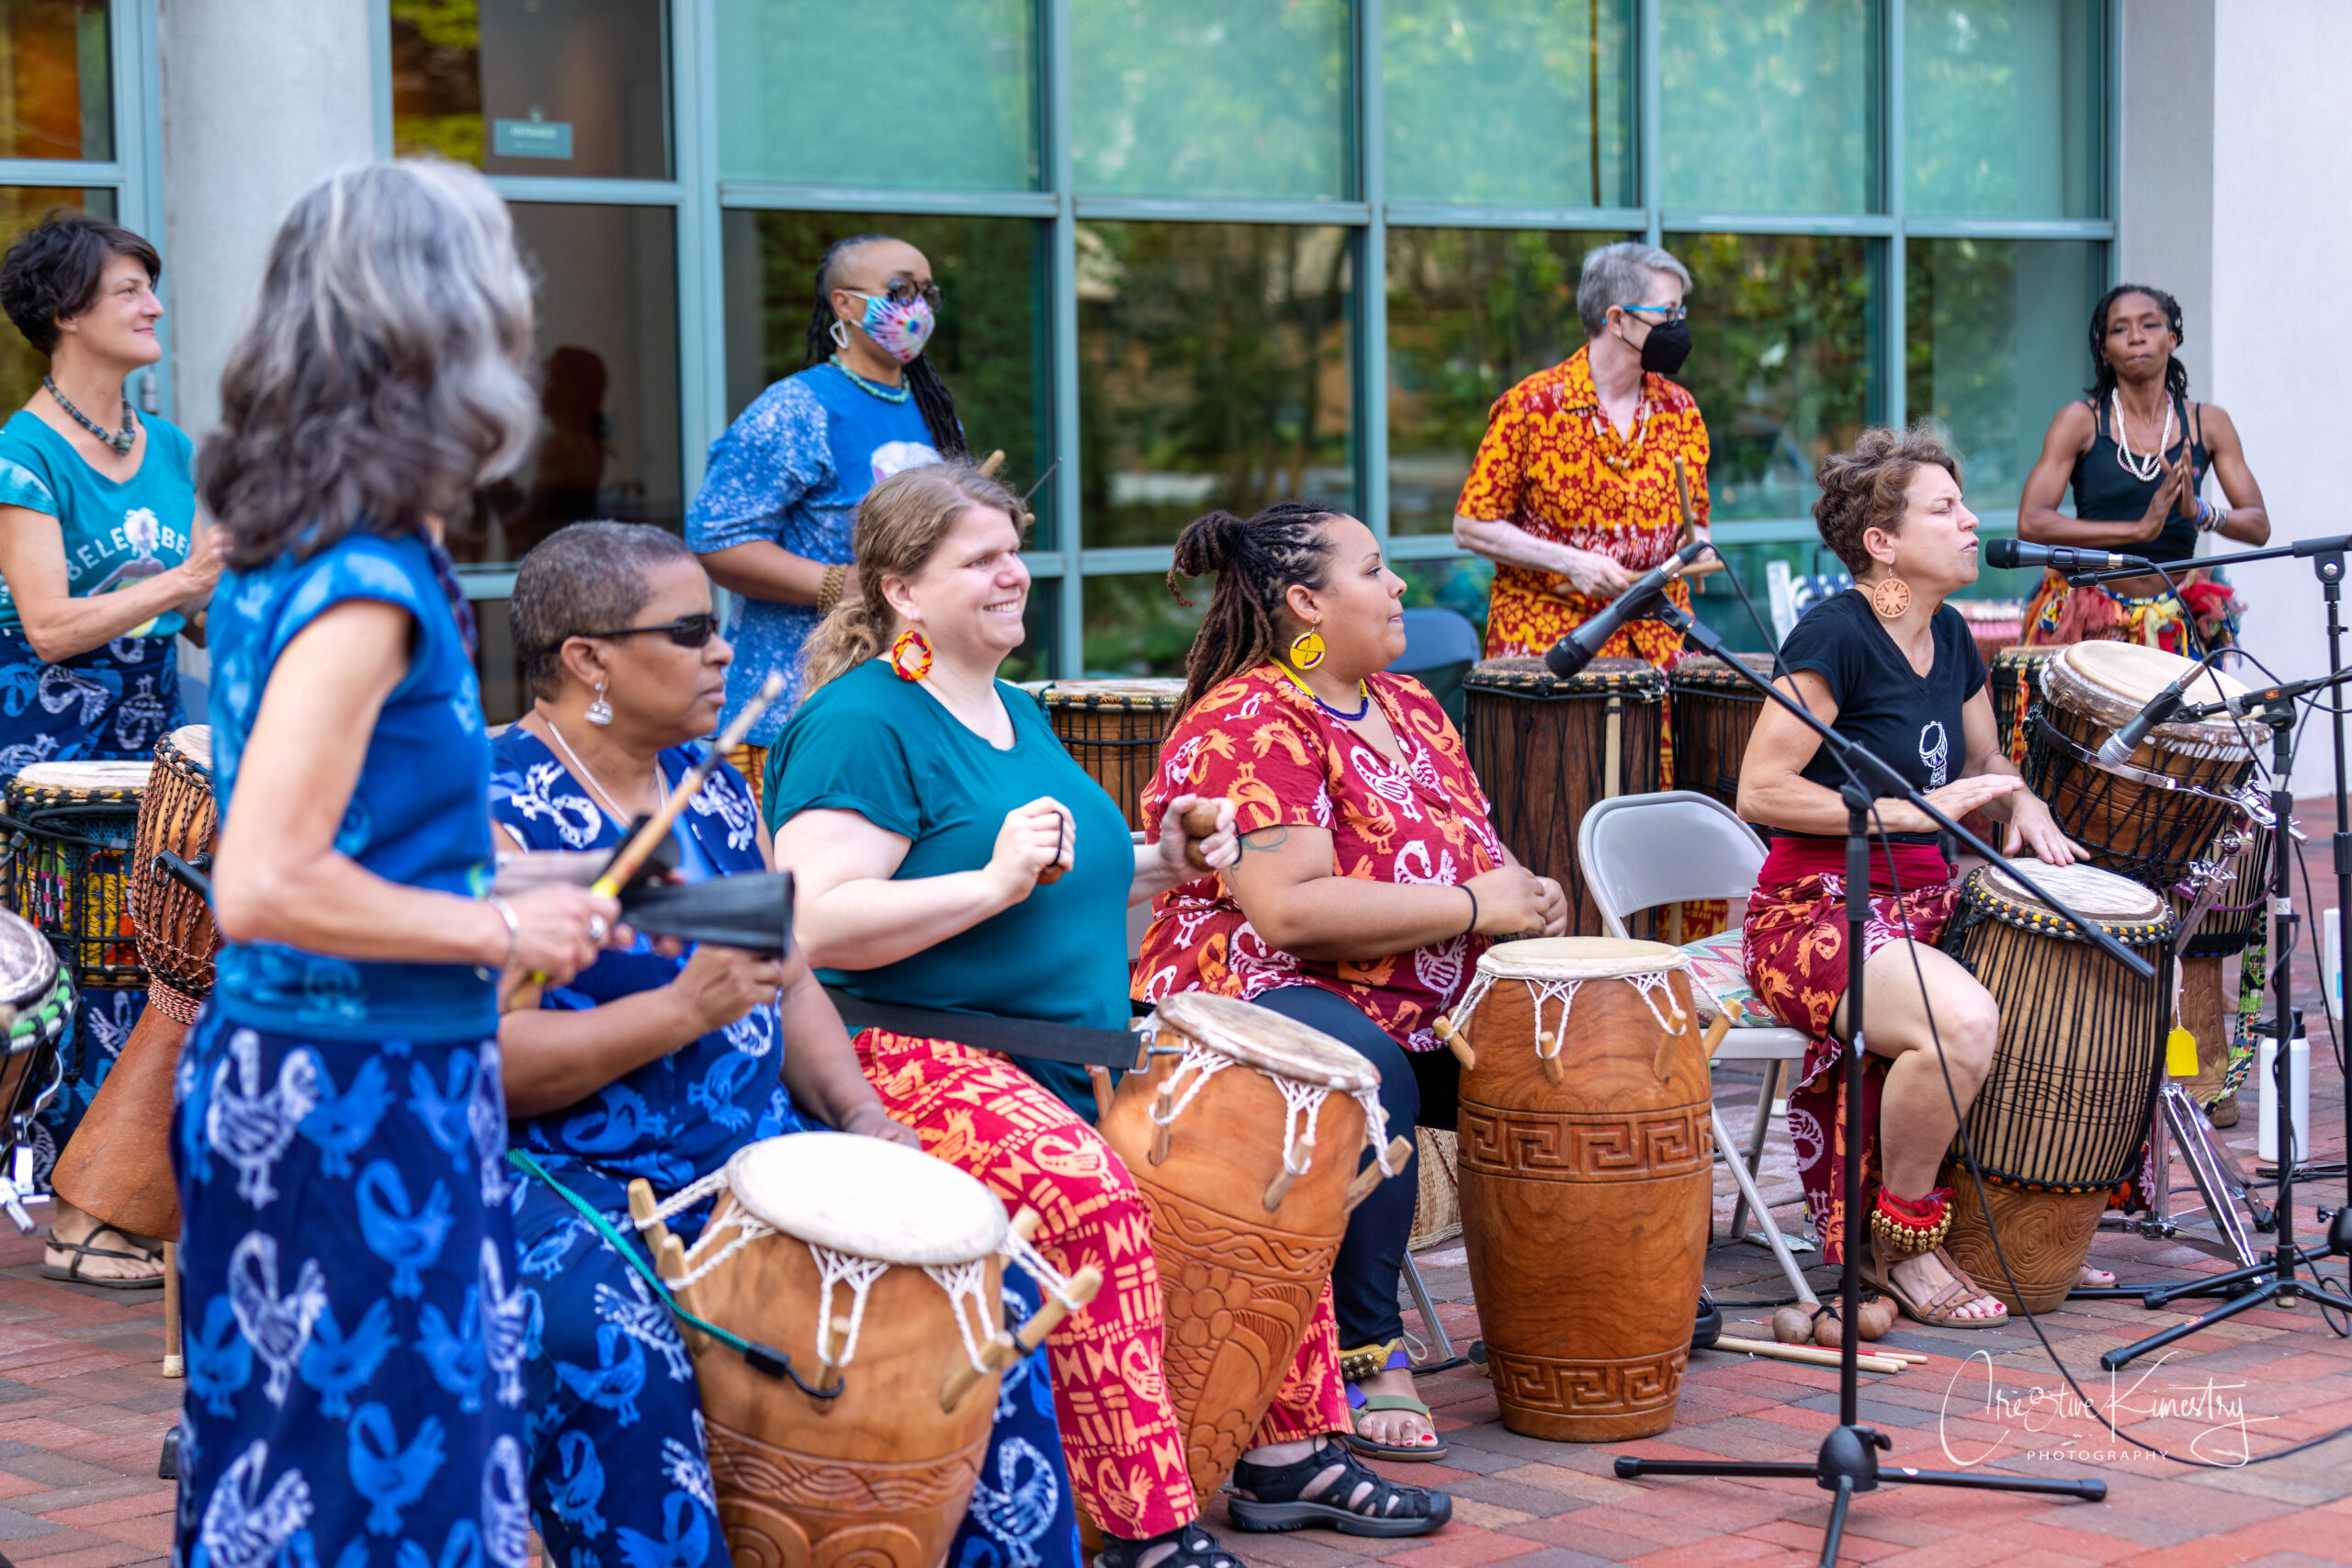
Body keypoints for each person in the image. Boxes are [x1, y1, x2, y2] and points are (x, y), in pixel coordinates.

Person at [766, 463, 1451, 1568]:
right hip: (913, 1055)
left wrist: (1161, 865)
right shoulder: (862, 722)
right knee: (1090, 1198)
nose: (1012, 574)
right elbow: (809, 922)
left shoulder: (1008, 708)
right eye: (979, 559)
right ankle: (1142, 1527)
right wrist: (988, 883)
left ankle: (1286, 1452)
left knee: (1264, 1151)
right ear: (901, 590)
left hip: (1068, 1050)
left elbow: (1058, 885)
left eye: (1011, 549)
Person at [175, 160, 616, 1561]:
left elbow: (357, 841)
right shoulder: (361, 578)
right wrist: (497, 935)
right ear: (448, 327)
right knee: (372, 1508)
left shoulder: (306, 545)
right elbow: (263, 881)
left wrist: (504, 887)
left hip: (364, 1074)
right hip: (345, 1095)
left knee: (329, 1492)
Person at [490, 520, 1080, 1568]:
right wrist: (683, 1010)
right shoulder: (494, 813)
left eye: (714, 629)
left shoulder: (709, 781)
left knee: (994, 1294)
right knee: (614, 1341)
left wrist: (862, 1115)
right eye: (688, 631)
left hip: (753, 1150)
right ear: (586, 659)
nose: (723, 651)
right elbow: (487, 1065)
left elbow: (791, 972)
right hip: (566, 1171)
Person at [1132, 501, 1565, 1462]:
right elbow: (1287, 912)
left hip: (1424, 996)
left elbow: (1473, 862)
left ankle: (1573, 1309)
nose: (1400, 584)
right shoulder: (1249, 722)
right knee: (1371, 1073)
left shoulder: (1407, 705)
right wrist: (1469, 906)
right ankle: (1370, 1353)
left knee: (1566, 1056)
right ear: (1303, 602)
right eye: (1373, 570)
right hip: (1254, 991)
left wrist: (1527, 899)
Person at [1736, 428, 2085, 1329]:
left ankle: (2024, 1227)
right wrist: (1908, 811)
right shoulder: (1836, 635)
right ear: (1882, 543)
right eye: (1945, 509)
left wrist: (2021, 805)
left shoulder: (1945, 631)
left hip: (1926, 896)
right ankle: (1902, 1245)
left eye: (1964, 505)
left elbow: (1979, 756)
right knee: (1958, 1021)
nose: (1971, 521)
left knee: (2070, 984)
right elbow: (1758, 789)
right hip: (1816, 908)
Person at [0, 210, 220, 1285]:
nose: (153, 306)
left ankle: (124, 1199)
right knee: (88, 975)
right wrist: (185, 583)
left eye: (150, 285)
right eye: (130, 289)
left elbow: (190, 617)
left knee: (151, 964)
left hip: (147, 748)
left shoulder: (168, 447)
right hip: (47, 756)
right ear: (64, 313)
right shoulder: (21, 451)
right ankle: (80, 1211)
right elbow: (46, 623)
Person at [687, 232, 968, 795]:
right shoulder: (795, 407)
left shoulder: (930, 408)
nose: (914, 307)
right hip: (792, 712)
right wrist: (846, 585)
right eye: (898, 290)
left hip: (910, 700)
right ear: (844, 304)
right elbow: (716, 539)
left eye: (925, 293)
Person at [1452, 241, 1710, 669]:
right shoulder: (1532, 406)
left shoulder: (1681, 409)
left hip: (1659, 639)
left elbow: (1697, 521)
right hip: (1553, 640)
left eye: (1680, 313)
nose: (1678, 325)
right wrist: (1570, 562)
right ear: (1616, 319)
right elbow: (1470, 526)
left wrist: (1697, 545)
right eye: (1667, 313)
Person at [2018, 284, 2269, 654]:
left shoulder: (2209, 423)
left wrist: (2198, 512)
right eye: (2120, 329)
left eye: (2149, 325)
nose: (2135, 337)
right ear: (2105, 349)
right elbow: (2031, 523)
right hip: (2093, 612)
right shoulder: (2079, 421)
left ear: (2172, 338)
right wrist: (2138, 529)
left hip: (2180, 617)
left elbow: (2258, 526)